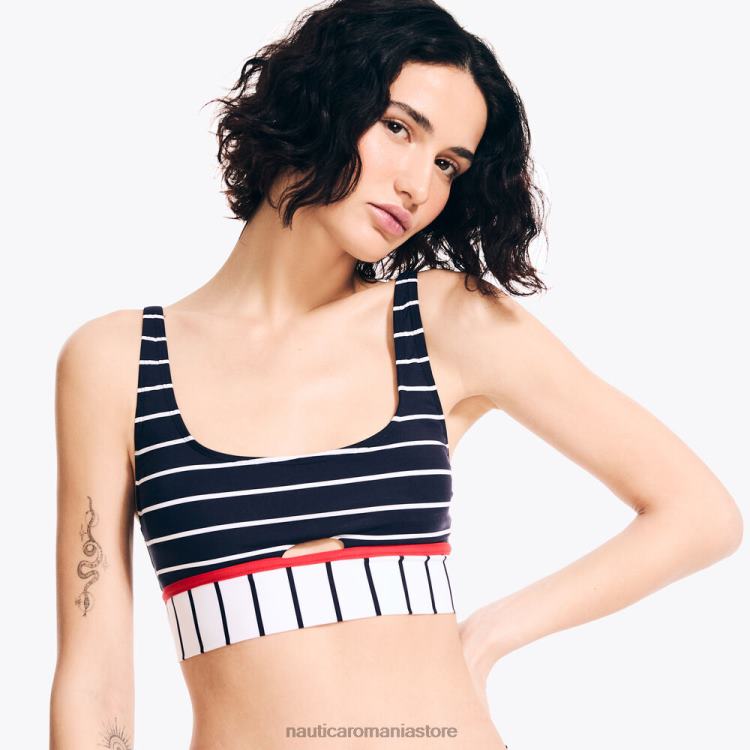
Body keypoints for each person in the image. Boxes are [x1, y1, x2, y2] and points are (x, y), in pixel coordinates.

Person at [49, 1, 743, 748]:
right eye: (399, 127)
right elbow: (95, 681)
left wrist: (488, 635)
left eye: (448, 165)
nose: (418, 184)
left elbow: (699, 513)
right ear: (320, 100)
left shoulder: (443, 322)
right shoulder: (119, 362)